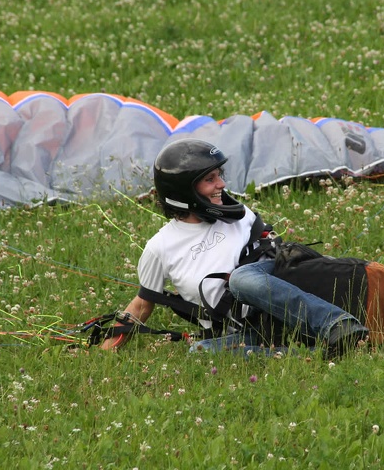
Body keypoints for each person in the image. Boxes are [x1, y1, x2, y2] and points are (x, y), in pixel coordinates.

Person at [100, 138, 368, 358]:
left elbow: (282, 262)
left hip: (279, 297)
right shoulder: (159, 247)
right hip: (249, 329)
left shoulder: (238, 216)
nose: (222, 185)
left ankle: (338, 324)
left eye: (220, 176)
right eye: (210, 179)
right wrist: (104, 354)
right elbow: (141, 305)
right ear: (183, 191)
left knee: (241, 279)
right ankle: (318, 355)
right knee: (201, 351)